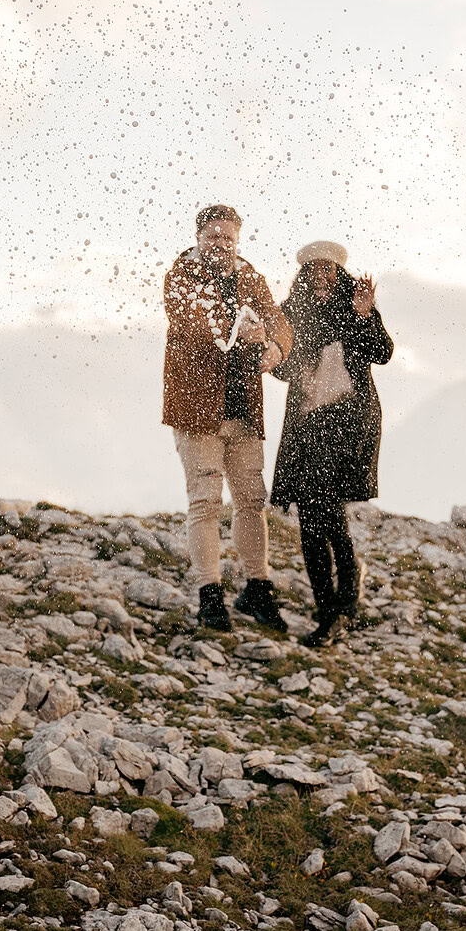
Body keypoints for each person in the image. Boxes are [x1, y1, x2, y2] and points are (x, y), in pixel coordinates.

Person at [163, 204, 293, 633]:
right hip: (197, 408)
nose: (220, 244)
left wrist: (274, 346)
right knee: (205, 500)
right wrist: (242, 331)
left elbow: (278, 321)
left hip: (243, 408)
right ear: (199, 236)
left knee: (251, 501)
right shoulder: (180, 276)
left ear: (238, 240)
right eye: (213, 236)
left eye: (228, 238)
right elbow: (196, 325)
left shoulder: (251, 277)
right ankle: (209, 594)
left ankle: (257, 588)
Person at [271, 241, 393, 647]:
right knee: (314, 519)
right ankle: (337, 604)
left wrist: (363, 316)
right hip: (307, 425)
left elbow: (382, 352)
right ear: (304, 274)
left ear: (337, 273)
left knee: (324, 511)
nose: (321, 276)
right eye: (314, 270)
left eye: (328, 270)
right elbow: (285, 369)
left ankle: (337, 610)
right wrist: (268, 354)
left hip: (346, 424)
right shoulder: (293, 311)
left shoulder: (354, 305)